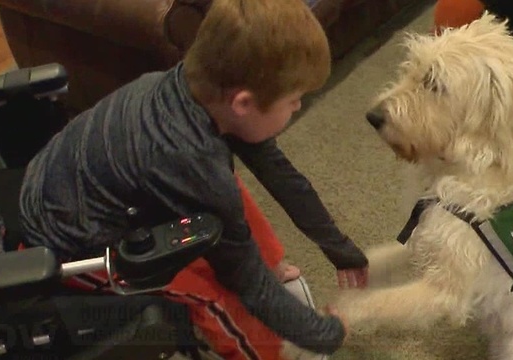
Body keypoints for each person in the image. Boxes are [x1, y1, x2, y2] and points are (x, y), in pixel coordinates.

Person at [18, 0, 369, 358]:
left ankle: (273, 267)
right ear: (243, 104)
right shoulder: (190, 159)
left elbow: (282, 177)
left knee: (226, 196)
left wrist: (340, 250)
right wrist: (326, 334)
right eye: (294, 100)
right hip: (69, 247)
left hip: (79, 182)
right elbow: (249, 286)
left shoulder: (196, 87)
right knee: (216, 295)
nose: (297, 107)